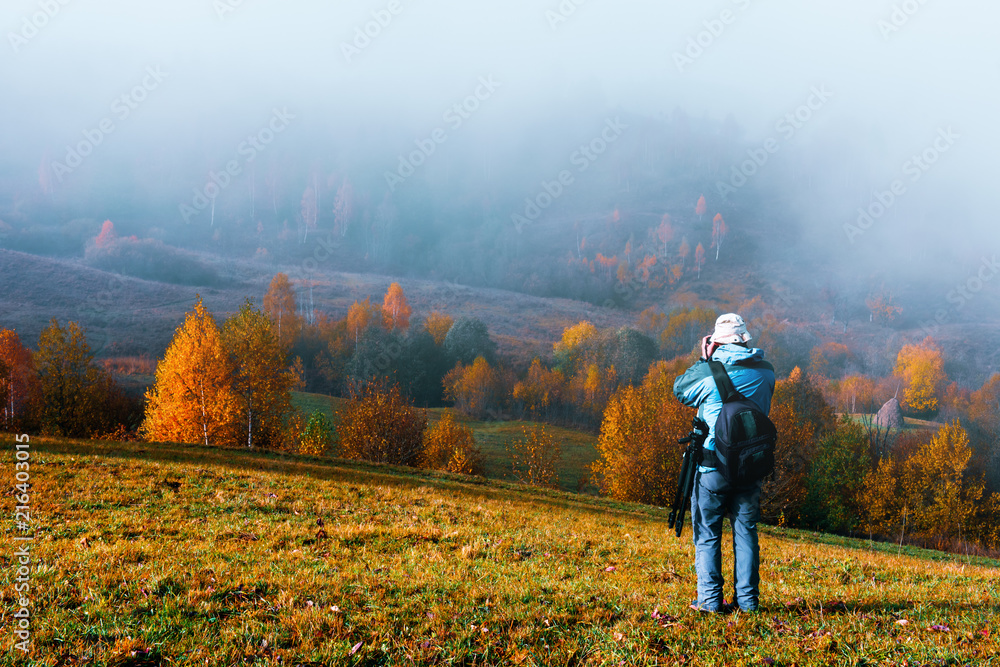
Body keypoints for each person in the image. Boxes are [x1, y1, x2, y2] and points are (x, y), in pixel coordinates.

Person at [672, 313, 775, 613]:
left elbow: (680, 389)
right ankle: (747, 602)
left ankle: (709, 600)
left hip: (712, 467)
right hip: (750, 466)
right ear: (745, 340)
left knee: (708, 533)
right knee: (746, 531)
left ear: (715, 341)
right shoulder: (767, 372)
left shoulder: (708, 373)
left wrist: (705, 359)